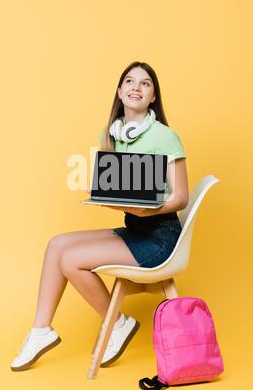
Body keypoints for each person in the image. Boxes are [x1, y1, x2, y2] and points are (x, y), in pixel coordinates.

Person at [10, 61, 189, 372]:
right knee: (56, 245)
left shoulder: (165, 137)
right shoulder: (112, 135)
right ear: (120, 92)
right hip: (135, 228)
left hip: (160, 238)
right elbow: (127, 192)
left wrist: (149, 209)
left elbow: (181, 197)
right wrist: (110, 200)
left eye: (145, 84)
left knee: (71, 260)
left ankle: (117, 324)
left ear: (152, 97)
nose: (136, 87)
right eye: (130, 81)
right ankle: (41, 331)